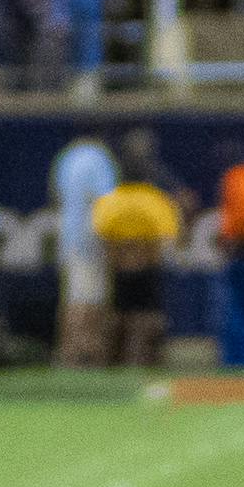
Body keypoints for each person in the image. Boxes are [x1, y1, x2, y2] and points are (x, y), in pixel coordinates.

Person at [91, 161, 182, 368]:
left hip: (118, 271)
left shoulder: (109, 200)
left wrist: (123, 255)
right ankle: (143, 361)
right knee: (148, 318)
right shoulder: (155, 199)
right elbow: (167, 239)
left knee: (116, 317)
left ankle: (113, 361)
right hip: (148, 270)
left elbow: (101, 238)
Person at [51, 131, 118, 365]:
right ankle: (85, 354)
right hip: (90, 238)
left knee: (73, 298)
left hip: (69, 236)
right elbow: (104, 201)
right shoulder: (98, 159)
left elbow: (56, 196)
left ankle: (69, 353)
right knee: (89, 301)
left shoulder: (67, 158)